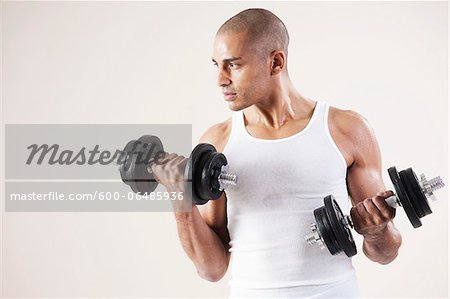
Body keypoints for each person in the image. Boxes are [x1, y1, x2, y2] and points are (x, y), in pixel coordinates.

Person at [152, 8, 402, 298]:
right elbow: (212, 269)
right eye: (217, 65)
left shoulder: (346, 130)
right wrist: (179, 199)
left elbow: (386, 252)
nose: (220, 79)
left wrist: (375, 231)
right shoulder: (217, 143)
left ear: (275, 62)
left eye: (233, 65)